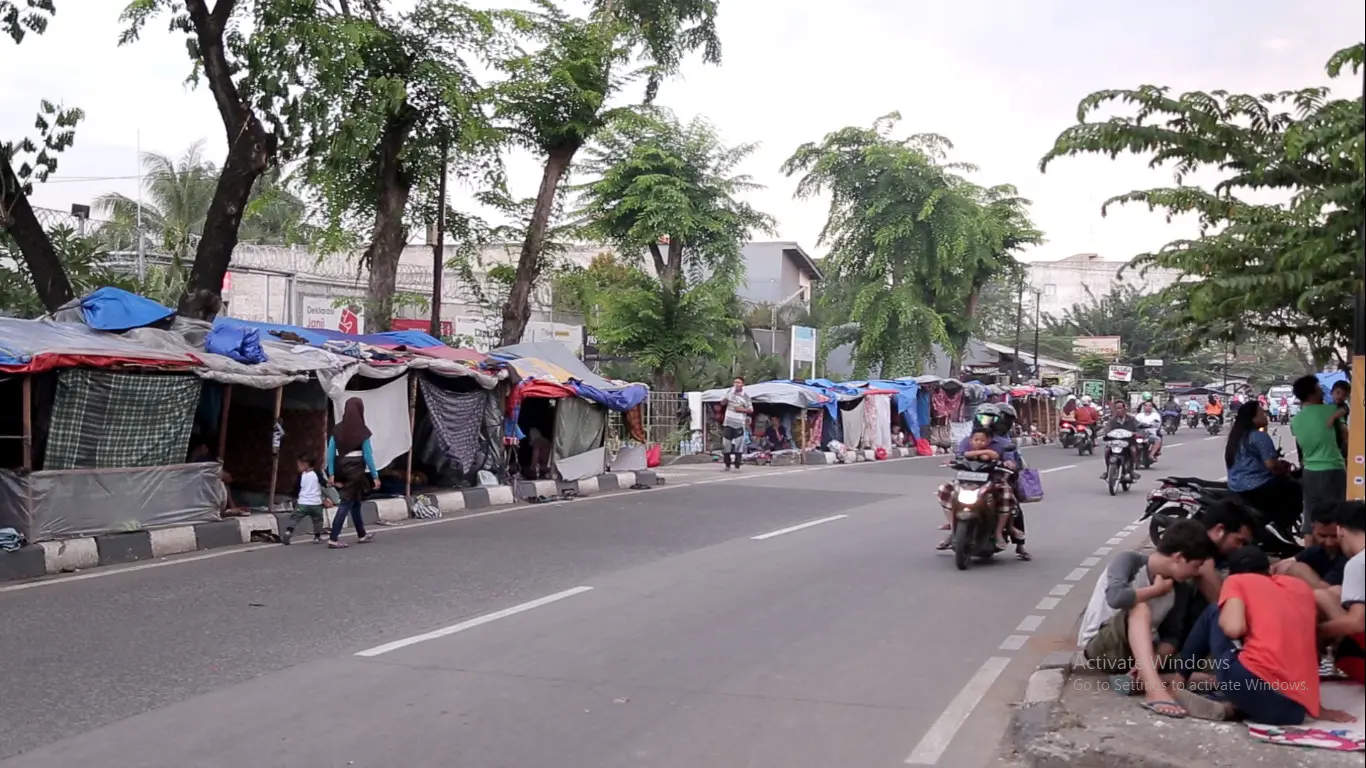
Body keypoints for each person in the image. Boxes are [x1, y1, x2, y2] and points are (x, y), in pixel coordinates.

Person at [1170, 546, 1356, 725]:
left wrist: (1229, 609)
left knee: (1214, 612)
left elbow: (1233, 629)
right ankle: (1232, 709)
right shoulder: (1300, 588)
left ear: (1234, 573)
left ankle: (1177, 684)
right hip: (1293, 711)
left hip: (1248, 682)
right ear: (1269, 569)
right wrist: (1318, 709)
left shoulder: (1237, 582)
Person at [1076, 519, 1215, 718]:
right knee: (1139, 607)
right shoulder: (1129, 561)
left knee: (1210, 667)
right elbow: (1116, 598)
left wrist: (1154, 661)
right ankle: (1154, 689)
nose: (1197, 572)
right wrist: (1155, 590)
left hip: (1140, 656)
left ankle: (1138, 679)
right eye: (1196, 565)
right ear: (1178, 558)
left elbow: (1172, 637)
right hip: (1105, 648)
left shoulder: (1181, 586)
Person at [935, 423, 1029, 560]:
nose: (979, 442)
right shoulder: (965, 444)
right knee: (944, 489)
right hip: (966, 482)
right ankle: (952, 527)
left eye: (982, 440)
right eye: (976, 440)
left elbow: (998, 457)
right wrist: (952, 461)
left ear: (988, 441)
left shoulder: (1001, 444)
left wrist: (1008, 464)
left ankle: (999, 532)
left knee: (1008, 495)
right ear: (971, 440)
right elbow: (962, 455)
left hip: (992, 482)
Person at [1317, 501, 1366, 686]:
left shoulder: (1358, 563)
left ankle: (1324, 660)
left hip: (1357, 655)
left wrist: (1319, 632)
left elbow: (1357, 622)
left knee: (1319, 597)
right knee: (1335, 592)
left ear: (1340, 531)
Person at [1224, 400, 1300, 520]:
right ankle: (1282, 525)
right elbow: (1272, 465)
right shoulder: (1258, 436)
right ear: (1252, 418)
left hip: (1235, 485)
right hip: (1257, 486)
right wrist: (1283, 470)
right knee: (1295, 488)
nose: (1265, 415)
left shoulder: (1236, 436)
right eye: (1262, 413)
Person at [1291, 375, 1346, 531]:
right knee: (1337, 516)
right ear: (1311, 393)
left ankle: (1309, 553)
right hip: (1333, 468)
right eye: (1320, 389)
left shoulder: (1295, 420)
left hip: (1309, 472)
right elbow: (1346, 435)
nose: (1323, 392)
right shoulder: (1330, 410)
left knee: (1310, 517)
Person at [326, 398, 379, 549]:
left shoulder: (337, 429)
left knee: (355, 502)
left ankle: (362, 534)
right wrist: (375, 476)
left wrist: (331, 473)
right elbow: (368, 455)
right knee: (346, 503)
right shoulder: (362, 431)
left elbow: (330, 453)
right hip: (356, 470)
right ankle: (333, 538)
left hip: (342, 468)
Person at [1273, 514, 1348, 590]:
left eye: (1334, 536)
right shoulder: (1315, 551)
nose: (1329, 543)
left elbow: (1328, 592)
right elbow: (1280, 566)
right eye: (1322, 536)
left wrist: (1299, 570)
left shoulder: (1349, 557)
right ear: (1313, 530)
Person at [283, 454, 328, 545]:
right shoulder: (317, 473)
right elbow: (324, 484)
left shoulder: (300, 475)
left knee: (295, 518)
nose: (298, 467)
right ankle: (317, 537)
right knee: (318, 521)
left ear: (305, 464)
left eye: (299, 465)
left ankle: (288, 532)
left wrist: (292, 497)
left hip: (302, 503)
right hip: (316, 504)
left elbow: (296, 489)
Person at [1099, 399, 1141, 480]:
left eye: (1120, 408)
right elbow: (1107, 429)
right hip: (1115, 442)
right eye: (1116, 408)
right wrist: (1106, 433)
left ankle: (1132, 469)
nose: (1118, 410)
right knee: (1107, 450)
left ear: (1125, 409)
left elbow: (1138, 428)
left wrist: (1137, 433)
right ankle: (1108, 471)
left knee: (1133, 450)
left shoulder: (1132, 419)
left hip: (1128, 441)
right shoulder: (1112, 420)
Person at [720, 377, 752, 471]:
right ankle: (727, 464)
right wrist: (727, 397)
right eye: (735, 382)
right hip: (728, 422)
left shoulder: (745, 396)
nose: (736, 384)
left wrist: (741, 409)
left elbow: (751, 409)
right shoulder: (730, 392)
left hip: (739, 423)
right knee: (726, 445)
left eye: (739, 382)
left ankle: (737, 465)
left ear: (743, 384)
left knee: (738, 446)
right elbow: (722, 403)